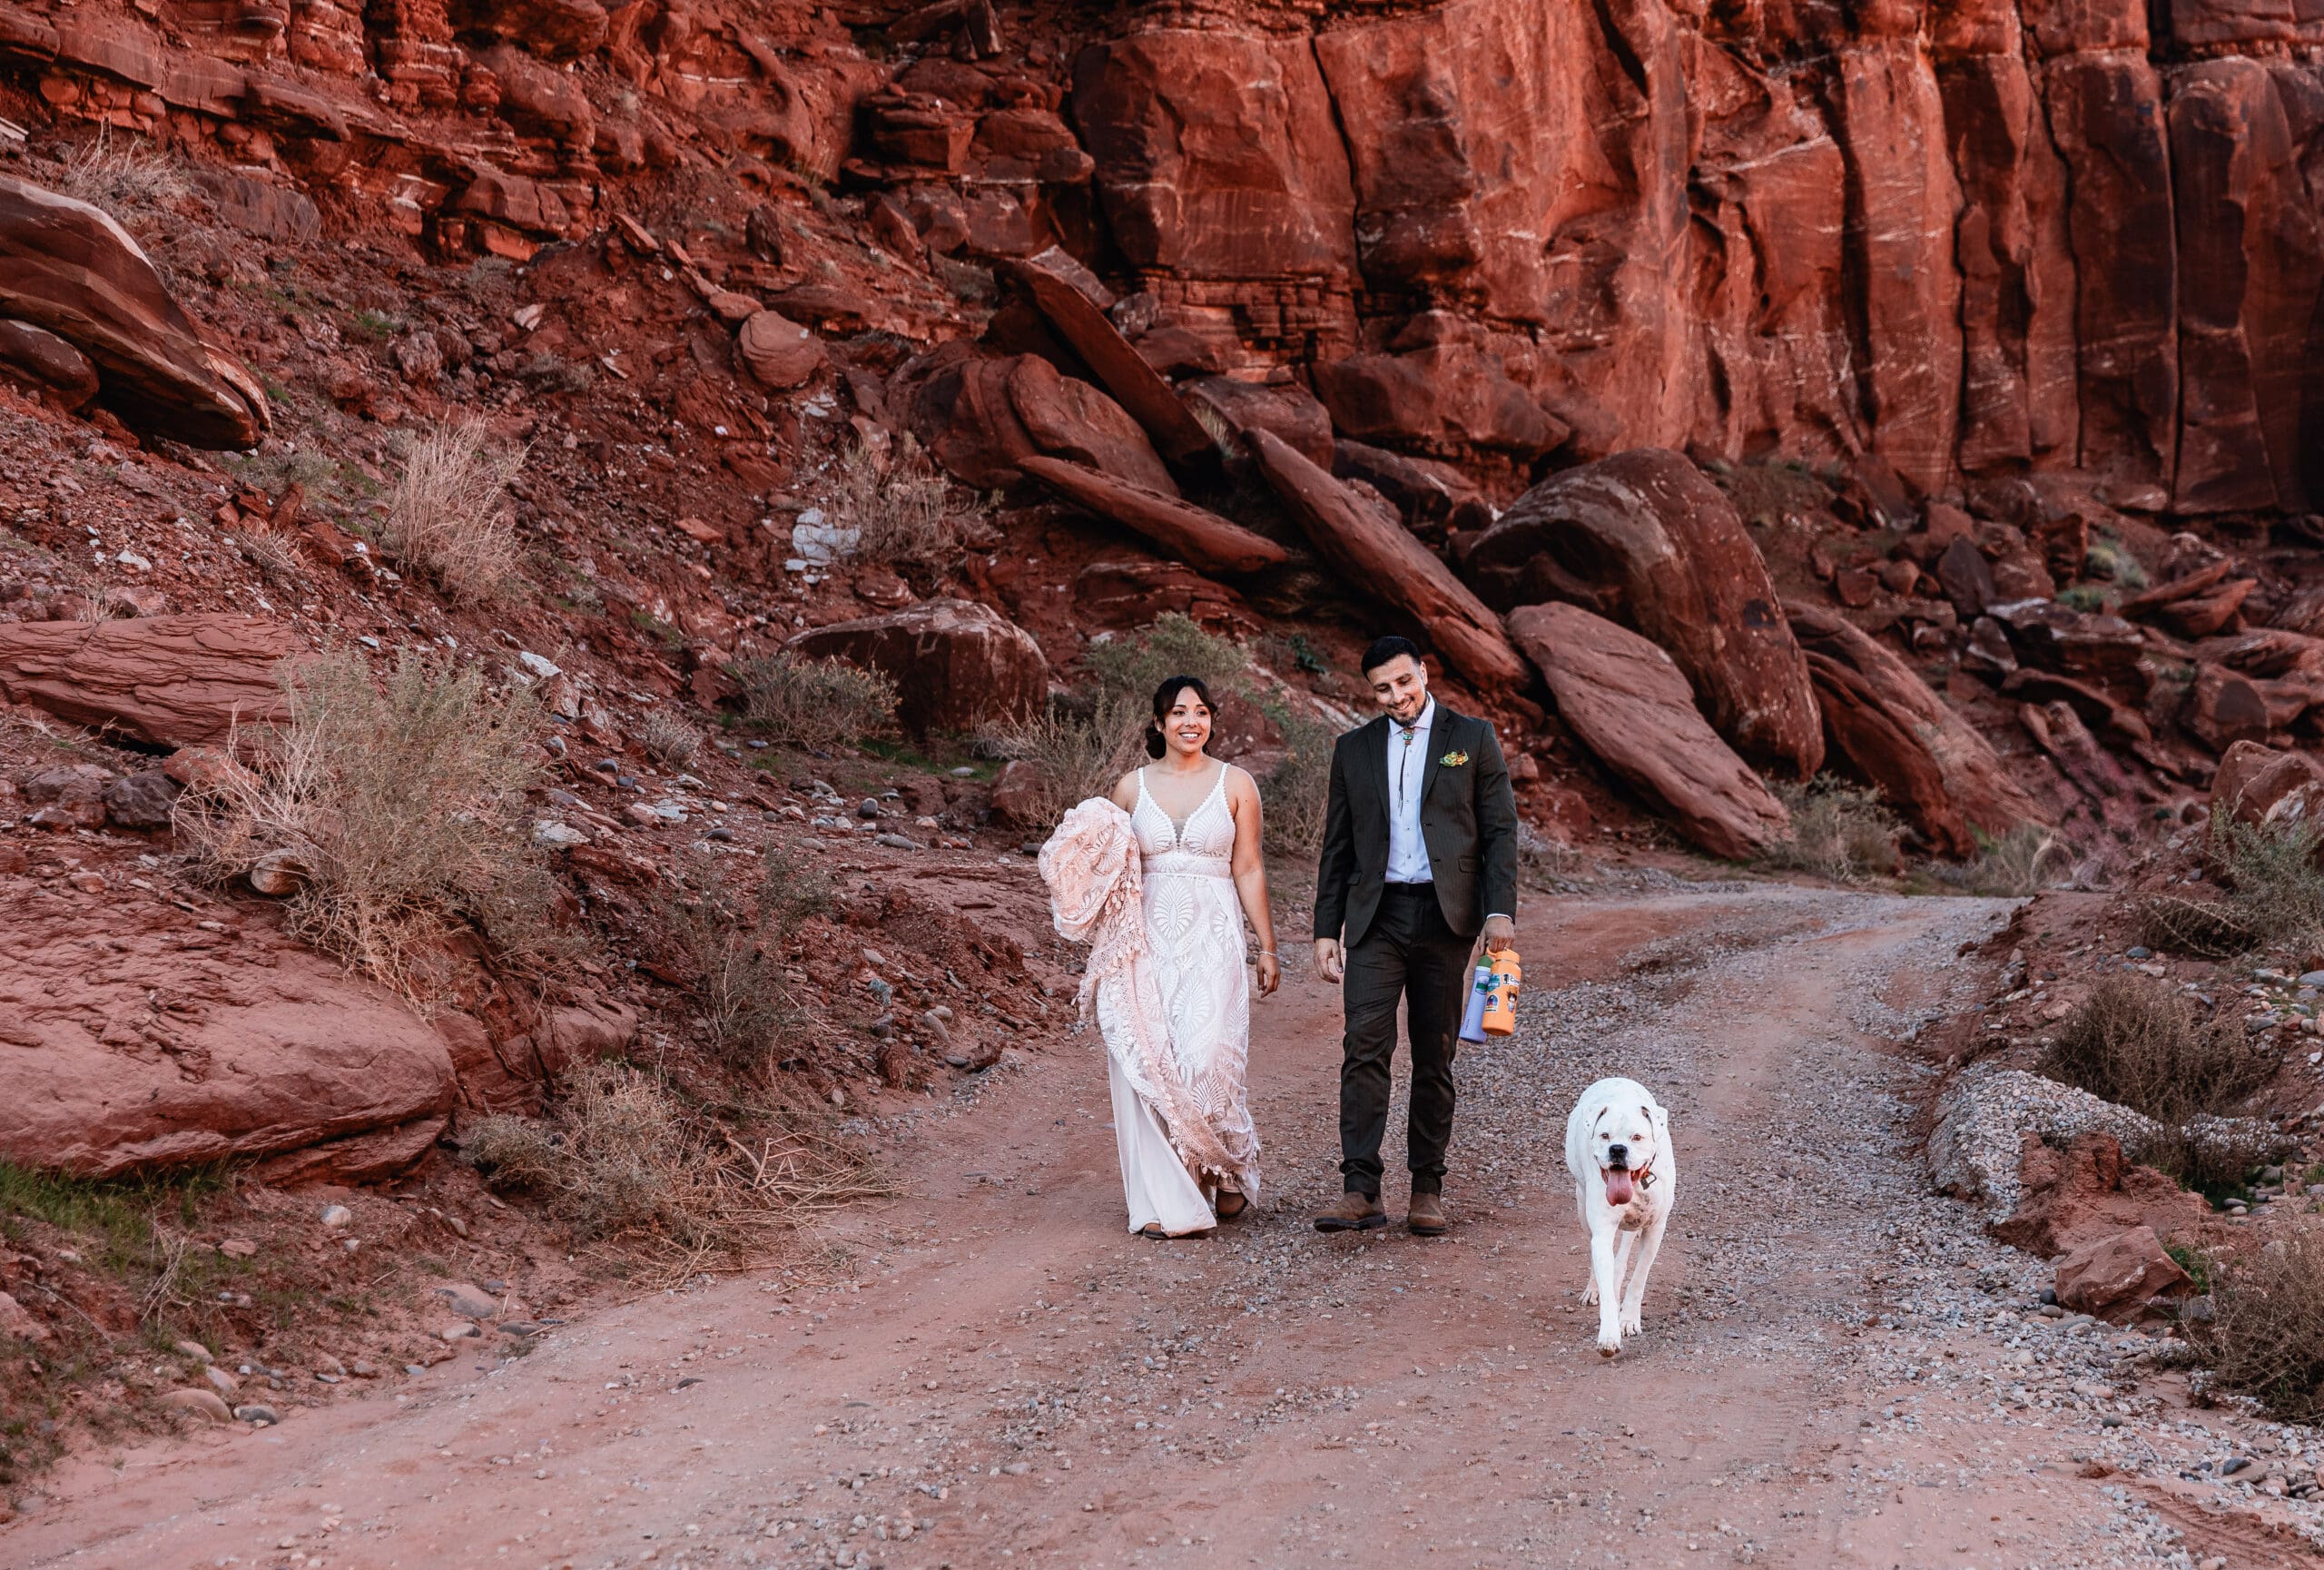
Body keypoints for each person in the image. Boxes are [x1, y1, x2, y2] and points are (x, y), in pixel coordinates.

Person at [1038, 674, 1275, 1239]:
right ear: (1159, 723)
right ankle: (1176, 1189)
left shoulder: (1237, 784)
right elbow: (1101, 864)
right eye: (1178, 712)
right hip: (1146, 946)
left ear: (1211, 719)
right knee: (1154, 1058)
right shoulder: (1128, 789)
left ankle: (1229, 1168)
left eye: (1200, 711)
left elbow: (1249, 867)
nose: (1191, 721)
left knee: (1211, 1056)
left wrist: (1266, 945)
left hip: (1214, 941)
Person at [1310, 637, 1518, 1236]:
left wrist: (1499, 909)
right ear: (1371, 691)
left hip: (1445, 917)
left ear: (1423, 672)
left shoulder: (1471, 738)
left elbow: (1501, 829)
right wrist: (1327, 929)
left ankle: (1427, 1187)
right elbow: (1338, 845)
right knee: (1364, 1048)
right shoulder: (1353, 748)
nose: (1397, 696)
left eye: (1405, 681)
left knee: (1435, 1055)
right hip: (1375, 918)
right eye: (1383, 688)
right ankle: (1360, 1188)